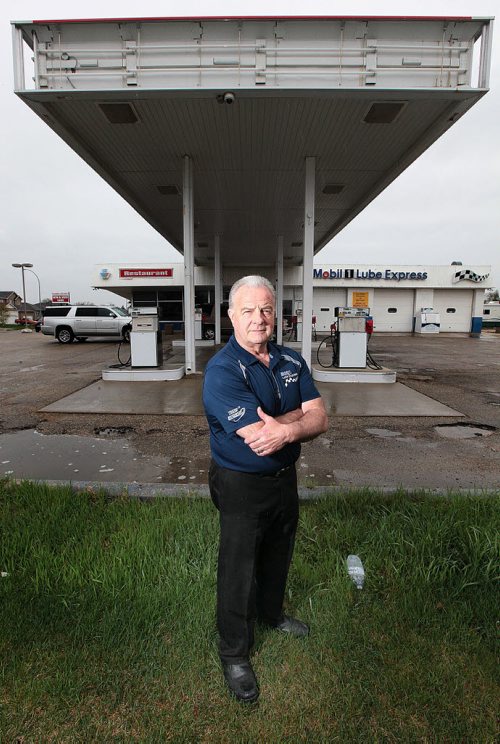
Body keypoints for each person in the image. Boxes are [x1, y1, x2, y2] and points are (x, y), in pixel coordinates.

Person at [202, 275, 328, 703]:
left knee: (278, 552)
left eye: (267, 310)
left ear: (276, 314)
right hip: (241, 483)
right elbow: (259, 437)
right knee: (237, 570)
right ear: (231, 316)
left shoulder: (292, 361)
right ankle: (235, 653)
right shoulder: (221, 372)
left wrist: (286, 428)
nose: (259, 319)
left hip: (284, 480)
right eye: (249, 311)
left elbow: (320, 418)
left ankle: (271, 614)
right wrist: (294, 420)